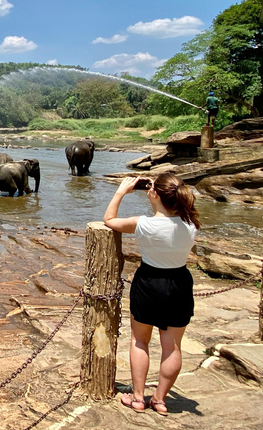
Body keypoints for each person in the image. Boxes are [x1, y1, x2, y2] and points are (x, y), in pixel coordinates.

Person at [103, 173, 200, 416]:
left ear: (154, 194)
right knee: (172, 347)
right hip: (179, 283)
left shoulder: (144, 224)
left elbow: (109, 220)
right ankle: (159, 399)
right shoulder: (191, 224)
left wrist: (121, 191)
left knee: (140, 341)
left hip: (149, 282)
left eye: (152, 186)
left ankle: (137, 398)